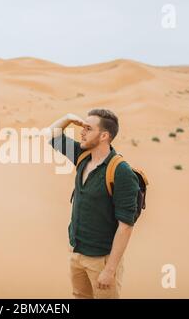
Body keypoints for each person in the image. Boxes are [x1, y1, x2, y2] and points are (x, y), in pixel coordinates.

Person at [47, 109, 139, 299]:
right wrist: (67, 118)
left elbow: (126, 226)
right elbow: (52, 135)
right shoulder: (82, 156)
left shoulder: (121, 171)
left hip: (102, 260)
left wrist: (110, 270)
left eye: (88, 128)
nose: (82, 131)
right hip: (77, 253)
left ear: (104, 135)